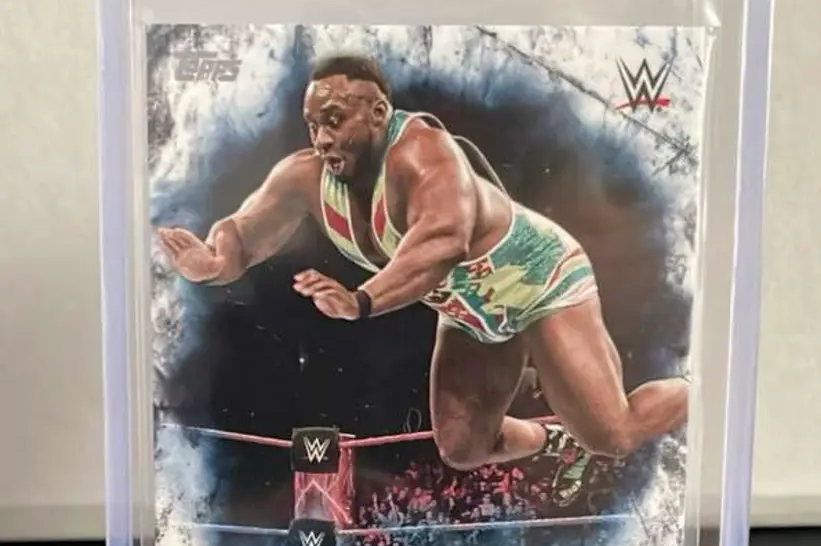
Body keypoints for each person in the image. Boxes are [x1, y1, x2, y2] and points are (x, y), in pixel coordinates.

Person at [157, 53, 688, 505]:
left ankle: (701, 393)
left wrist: (362, 301)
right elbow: (245, 230)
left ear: (378, 112)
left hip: (540, 284)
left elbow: (441, 244)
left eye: (335, 120)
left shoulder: (424, 152)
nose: (322, 138)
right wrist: (215, 262)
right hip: (472, 315)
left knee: (613, 435)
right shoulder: (305, 176)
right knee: (461, 447)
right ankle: (554, 440)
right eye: (313, 125)